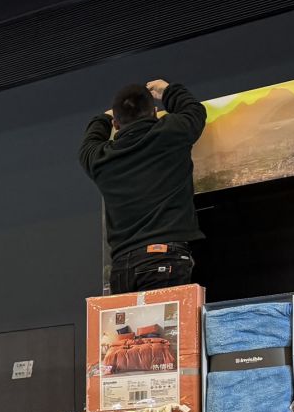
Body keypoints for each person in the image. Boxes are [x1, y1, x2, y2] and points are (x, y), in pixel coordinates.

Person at [78, 78, 208, 294]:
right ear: (155, 113)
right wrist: (167, 90)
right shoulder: (170, 132)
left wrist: (105, 117)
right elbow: (195, 111)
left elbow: (88, 143)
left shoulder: (101, 158)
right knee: (166, 319)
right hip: (164, 258)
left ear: (116, 125)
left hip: (122, 267)